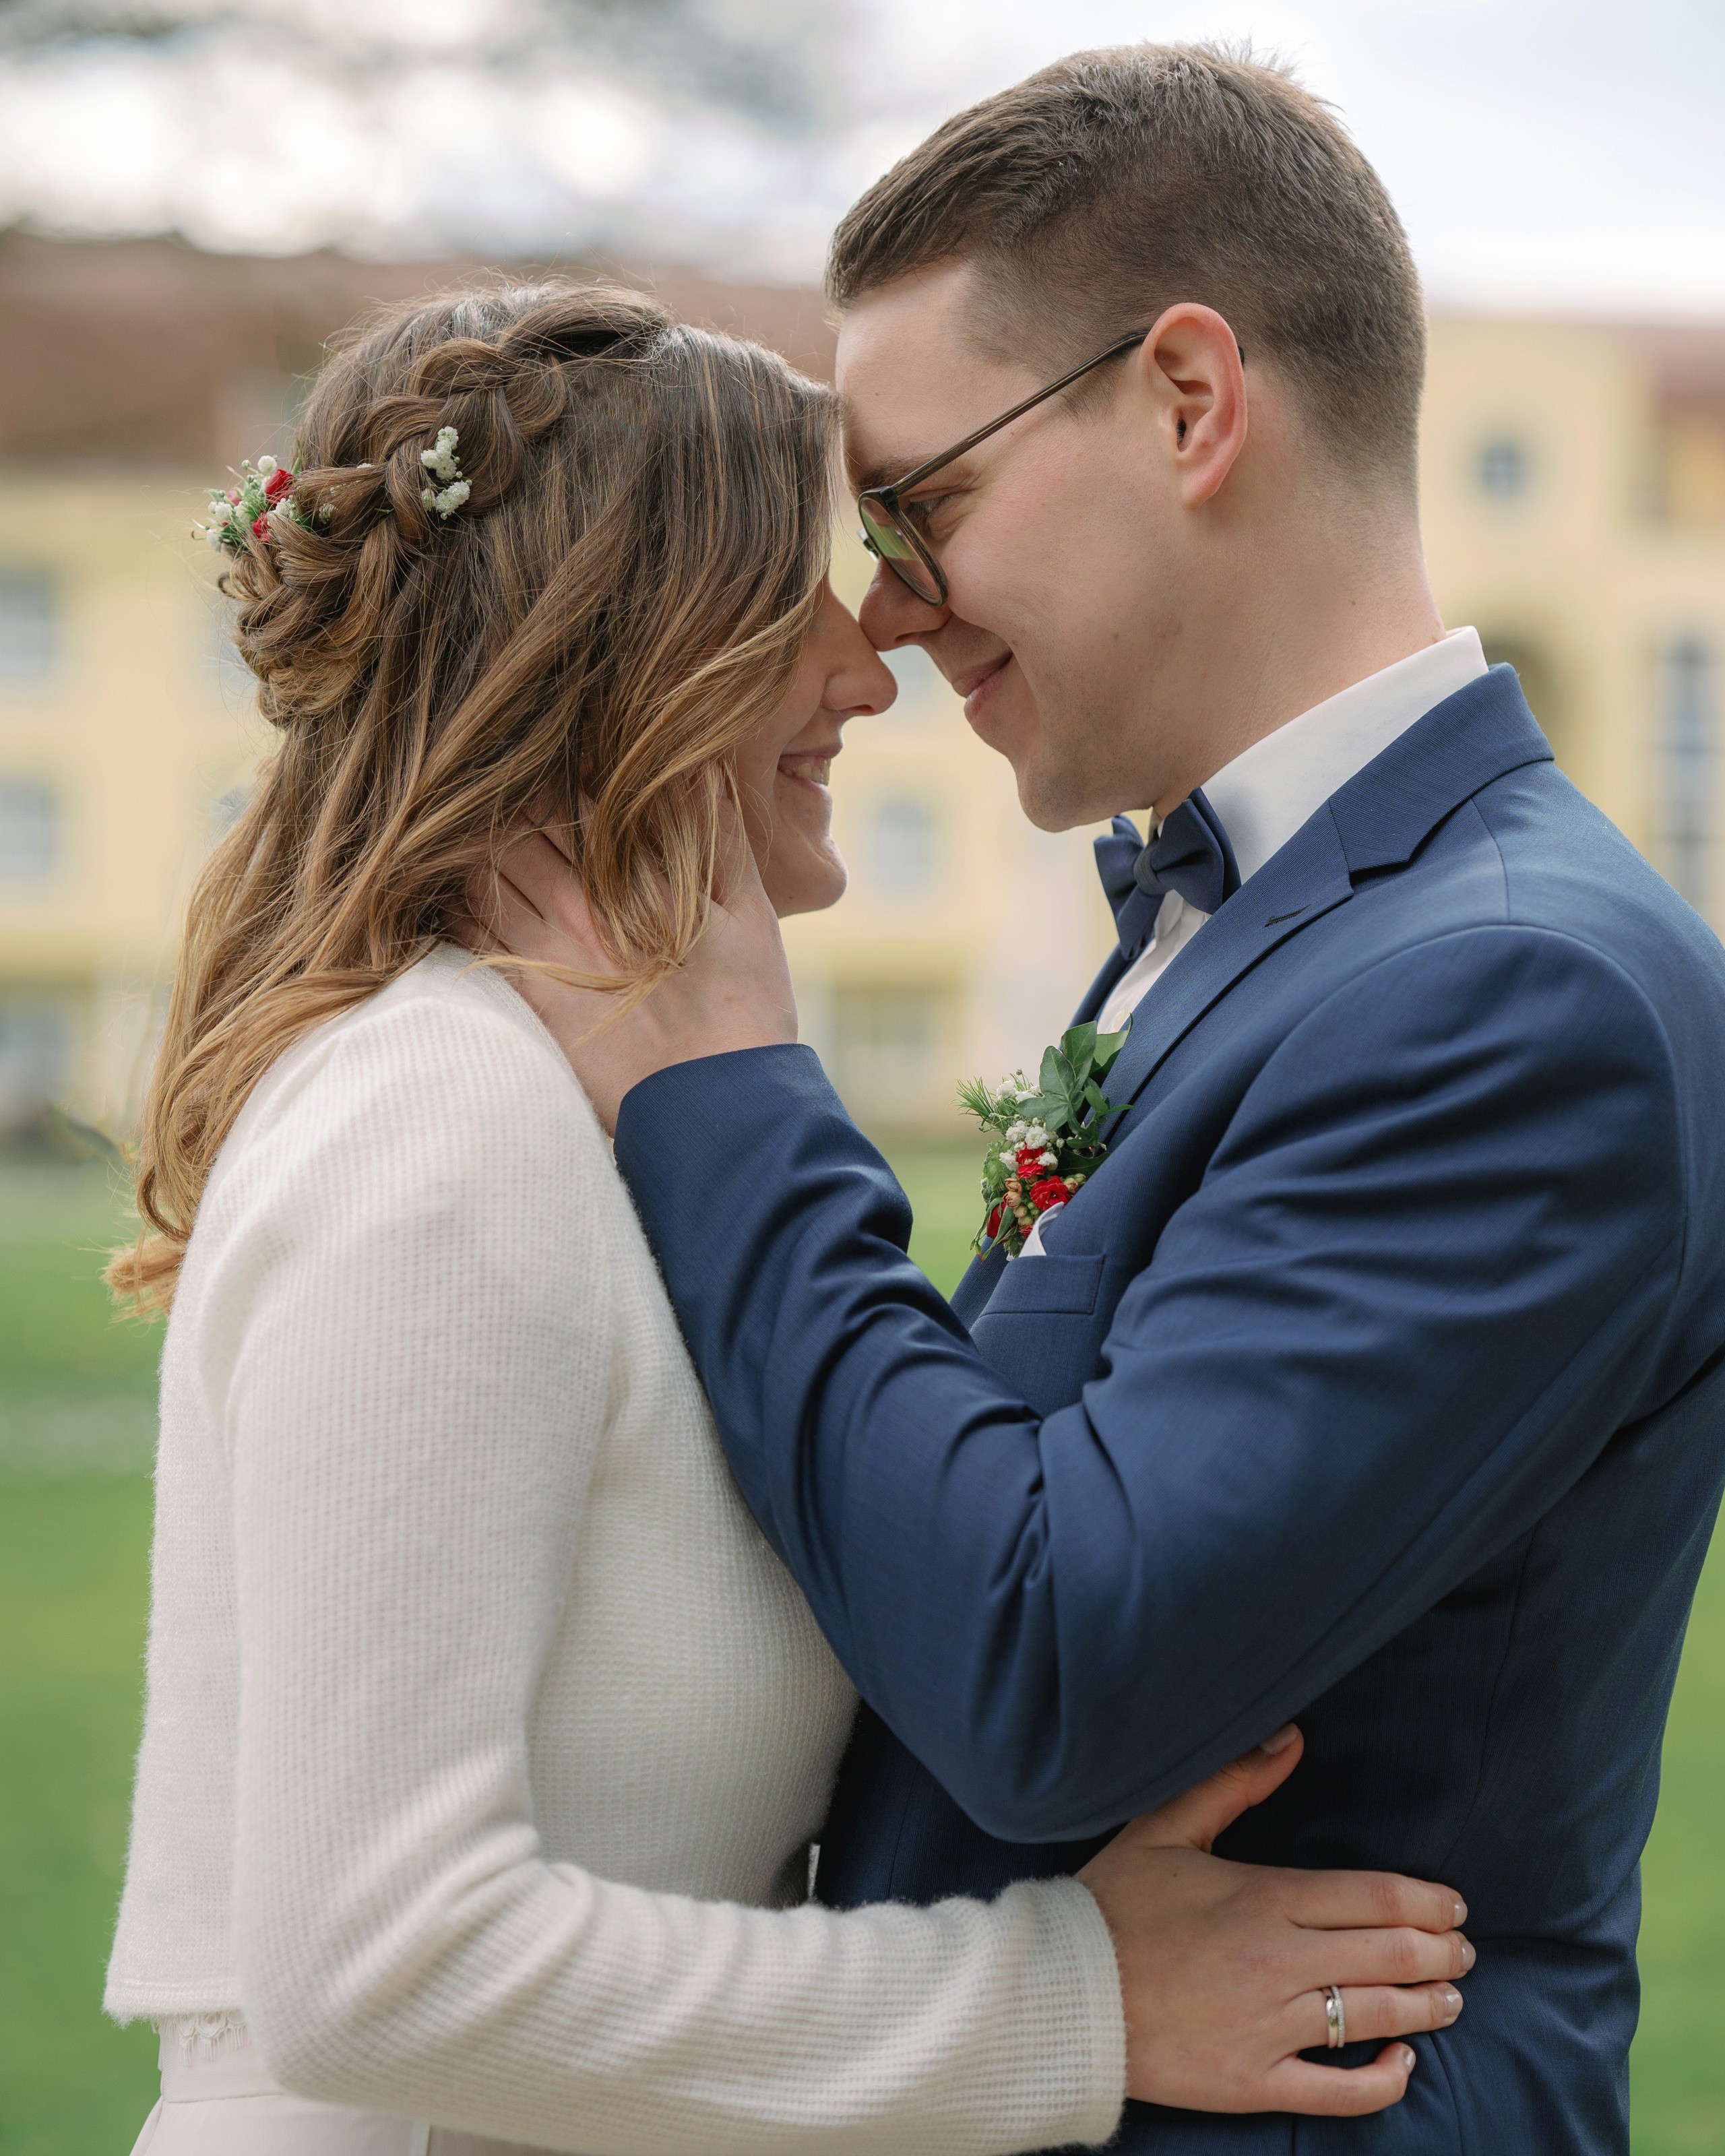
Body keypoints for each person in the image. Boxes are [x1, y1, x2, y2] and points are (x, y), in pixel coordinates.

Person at [472, 44, 1725, 2156]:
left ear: (1189, 400)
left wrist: (726, 1088)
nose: (882, 609)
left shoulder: (1518, 996)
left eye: (921, 503)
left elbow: (1047, 1664)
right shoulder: (1260, 934)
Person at [104, 279, 1469, 2156]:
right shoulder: (437, 1123)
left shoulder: (563, 1108)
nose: (866, 666)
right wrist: (1073, 1998)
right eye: (796, 604)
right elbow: (378, 1965)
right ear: (629, 656)